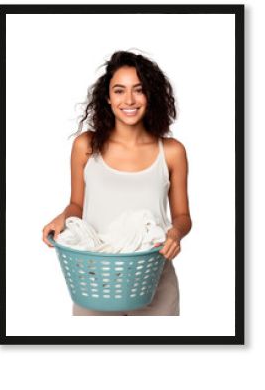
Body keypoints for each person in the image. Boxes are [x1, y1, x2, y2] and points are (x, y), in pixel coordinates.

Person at [42, 50, 192, 316]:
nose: (129, 100)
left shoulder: (171, 151)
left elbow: (182, 216)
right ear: (108, 98)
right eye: (119, 91)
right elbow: (77, 204)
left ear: (150, 95)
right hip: (94, 280)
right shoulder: (86, 146)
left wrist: (175, 233)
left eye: (139, 90)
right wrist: (62, 219)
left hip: (154, 280)